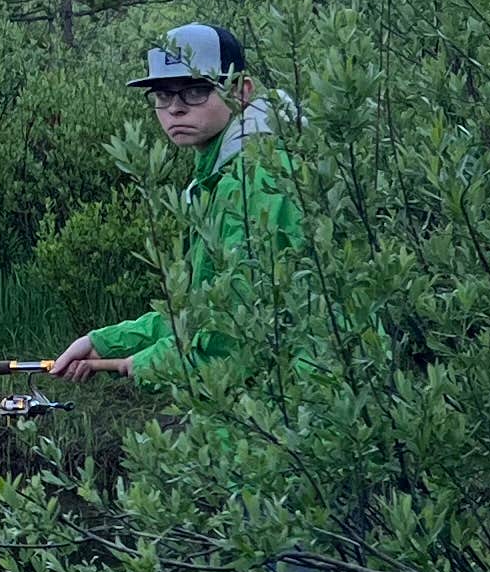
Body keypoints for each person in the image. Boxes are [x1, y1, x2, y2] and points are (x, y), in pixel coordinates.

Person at [48, 21, 301, 389]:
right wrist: (104, 343)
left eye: (196, 90)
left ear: (241, 91)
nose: (175, 109)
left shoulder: (257, 180)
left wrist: (149, 362)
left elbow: (239, 332)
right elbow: (201, 310)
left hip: (294, 413)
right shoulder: (216, 177)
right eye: (163, 95)